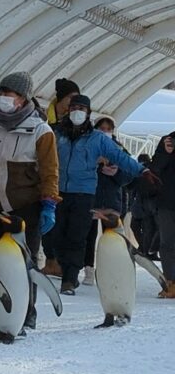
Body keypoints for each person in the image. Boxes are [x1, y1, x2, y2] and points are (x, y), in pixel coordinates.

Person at [51, 95, 156, 295]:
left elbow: (119, 156)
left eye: (81, 108)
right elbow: (45, 157)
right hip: (58, 191)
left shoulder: (96, 138)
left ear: (88, 112)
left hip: (84, 193)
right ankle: (65, 267)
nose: (77, 111)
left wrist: (141, 170)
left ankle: (70, 278)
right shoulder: (58, 135)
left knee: (77, 235)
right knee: (58, 234)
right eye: (74, 107)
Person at [0, 72, 59, 261]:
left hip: (25, 211)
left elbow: (50, 172)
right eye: (2, 93)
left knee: (23, 265)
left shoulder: (41, 131)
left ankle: (26, 291)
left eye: (9, 94)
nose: (4, 98)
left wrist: (49, 204)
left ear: (23, 98)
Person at [82, 117, 136, 286]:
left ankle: (112, 270)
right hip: (92, 198)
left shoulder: (119, 150)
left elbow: (130, 174)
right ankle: (88, 269)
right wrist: (96, 165)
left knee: (114, 240)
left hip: (113, 201)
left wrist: (116, 173)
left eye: (108, 128)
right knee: (88, 237)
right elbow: (78, 168)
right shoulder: (87, 146)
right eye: (101, 127)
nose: (105, 131)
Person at [149, 134, 175, 297]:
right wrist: (166, 153)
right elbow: (155, 169)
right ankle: (170, 282)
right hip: (167, 202)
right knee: (167, 244)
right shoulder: (168, 140)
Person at [131, 151, 161, 261]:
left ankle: (145, 250)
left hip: (141, 203)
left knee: (146, 228)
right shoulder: (155, 169)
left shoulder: (139, 170)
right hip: (154, 203)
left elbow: (133, 188)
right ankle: (151, 251)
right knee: (156, 228)